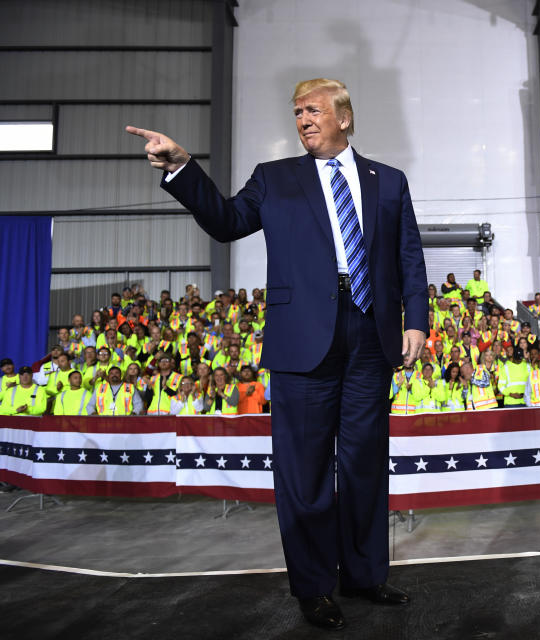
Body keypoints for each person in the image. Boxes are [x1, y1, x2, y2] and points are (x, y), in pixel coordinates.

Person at [126, 76, 426, 629]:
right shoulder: (275, 178)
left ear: (344, 116)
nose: (303, 120)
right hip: (302, 339)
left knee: (364, 465)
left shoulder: (390, 181)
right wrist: (182, 165)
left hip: (371, 336)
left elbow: (410, 254)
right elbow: (225, 222)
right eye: (296, 113)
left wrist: (417, 322)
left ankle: (364, 576)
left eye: (313, 110)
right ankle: (315, 586)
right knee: (304, 471)